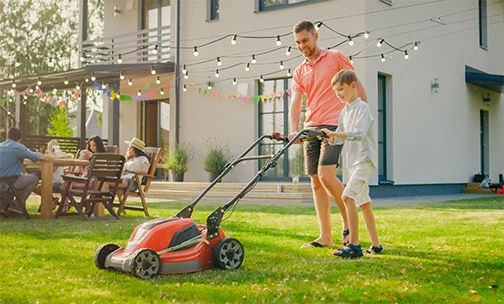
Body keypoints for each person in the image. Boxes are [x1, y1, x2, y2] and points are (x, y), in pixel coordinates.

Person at [289, 20, 368, 248]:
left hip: (335, 125)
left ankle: (347, 220)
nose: (302, 45)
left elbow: (356, 87)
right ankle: (325, 236)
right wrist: (295, 129)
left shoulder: (335, 57)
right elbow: (296, 103)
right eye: (298, 42)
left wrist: (362, 117)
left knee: (326, 176)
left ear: (316, 35)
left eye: (305, 40)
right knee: (316, 182)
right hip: (310, 127)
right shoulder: (299, 71)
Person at [319, 69, 382, 258]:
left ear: (353, 86)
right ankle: (376, 246)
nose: (338, 94)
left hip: (364, 160)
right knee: (364, 204)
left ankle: (354, 245)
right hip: (352, 163)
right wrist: (328, 138)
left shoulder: (362, 108)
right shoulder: (344, 111)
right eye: (335, 91)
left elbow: (357, 134)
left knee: (347, 197)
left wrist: (335, 134)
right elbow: (339, 138)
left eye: (341, 89)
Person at [0, 127, 53, 213]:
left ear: (7, 136)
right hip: (8, 182)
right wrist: (50, 157)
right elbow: (36, 156)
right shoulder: (18, 147)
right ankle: (17, 204)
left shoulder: (1, 146)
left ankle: (9, 203)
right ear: (20, 139)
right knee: (34, 179)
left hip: (3, 180)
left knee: (22, 176)